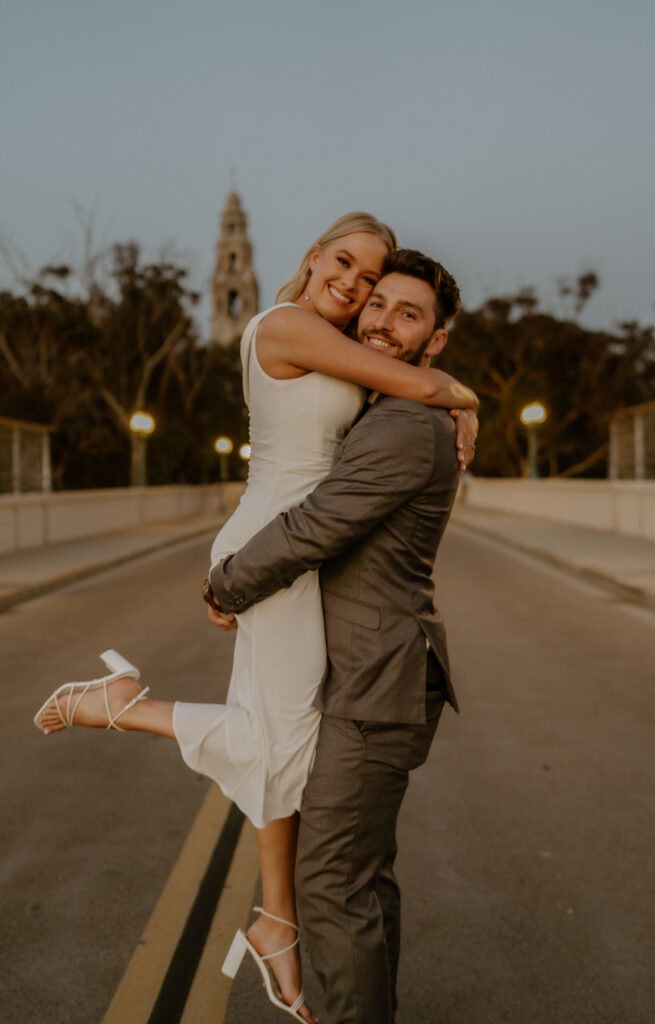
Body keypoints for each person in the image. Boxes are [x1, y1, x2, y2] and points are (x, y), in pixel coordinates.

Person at [34, 215, 477, 1024]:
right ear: (312, 258)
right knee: (285, 746)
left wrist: (448, 395)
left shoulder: (375, 385)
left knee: (287, 743)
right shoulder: (287, 326)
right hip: (275, 542)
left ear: (433, 335)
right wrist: (466, 397)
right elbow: (411, 399)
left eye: (386, 298)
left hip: (282, 547)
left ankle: (277, 917)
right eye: (351, 272)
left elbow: (403, 399)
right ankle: (123, 708)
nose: (361, 297)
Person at [207, 248, 465, 1024]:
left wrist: (227, 582)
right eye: (376, 303)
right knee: (361, 876)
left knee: (330, 886)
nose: (381, 320)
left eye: (406, 313)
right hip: (377, 674)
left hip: (373, 681)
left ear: (435, 339)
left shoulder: (404, 427)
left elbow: (316, 525)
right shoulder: (389, 406)